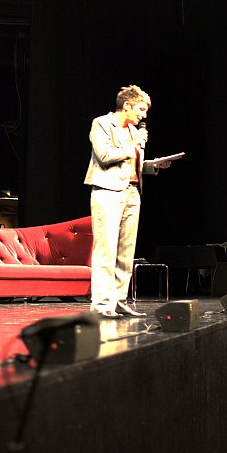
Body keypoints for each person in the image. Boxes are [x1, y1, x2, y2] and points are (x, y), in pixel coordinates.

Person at [84, 85, 175, 318]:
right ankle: (101, 304)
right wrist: (132, 145)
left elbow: (131, 164)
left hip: (132, 192)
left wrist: (152, 165)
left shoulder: (134, 132)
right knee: (106, 249)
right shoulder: (102, 124)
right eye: (141, 110)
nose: (143, 116)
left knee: (126, 252)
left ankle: (118, 300)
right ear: (127, 105)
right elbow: (104, 155)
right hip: (107, 191)